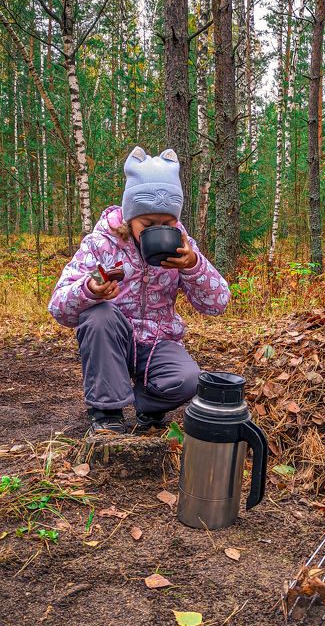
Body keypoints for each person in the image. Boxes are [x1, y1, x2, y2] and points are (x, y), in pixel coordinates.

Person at [48, 147, 230, 435]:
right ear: (129, 216)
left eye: (168, 223)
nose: (159, 229)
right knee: (99, 316)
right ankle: (107, 410)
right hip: (113, 341)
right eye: (148, 224)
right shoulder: (100, 246)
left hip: (158, 342)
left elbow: (218, 303)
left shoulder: (182, 246)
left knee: (190, 380)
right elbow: (58, 307)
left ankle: (149, 405)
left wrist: (193, 264)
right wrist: (90, 289)